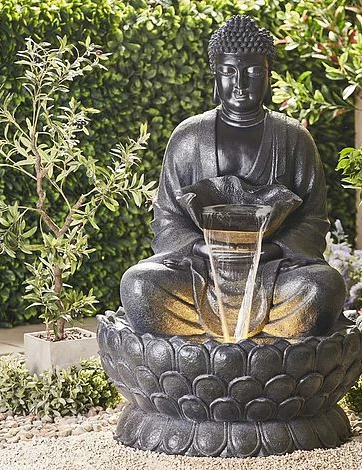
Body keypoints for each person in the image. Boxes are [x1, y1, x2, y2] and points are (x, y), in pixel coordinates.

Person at [120, 15, 346, 340]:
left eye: (253, 72)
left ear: (268, 74)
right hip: (201, 270)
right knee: (139, 285)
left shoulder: (293, 138)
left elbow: (313, 219)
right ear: (216, 74)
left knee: (323, 288)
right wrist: (201, 248)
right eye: (228, 72)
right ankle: (267, 346)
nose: (240, 83)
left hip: (274, 271)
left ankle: (213, 346)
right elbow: (167, 218)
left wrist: (273, 250)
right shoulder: (188, 138)